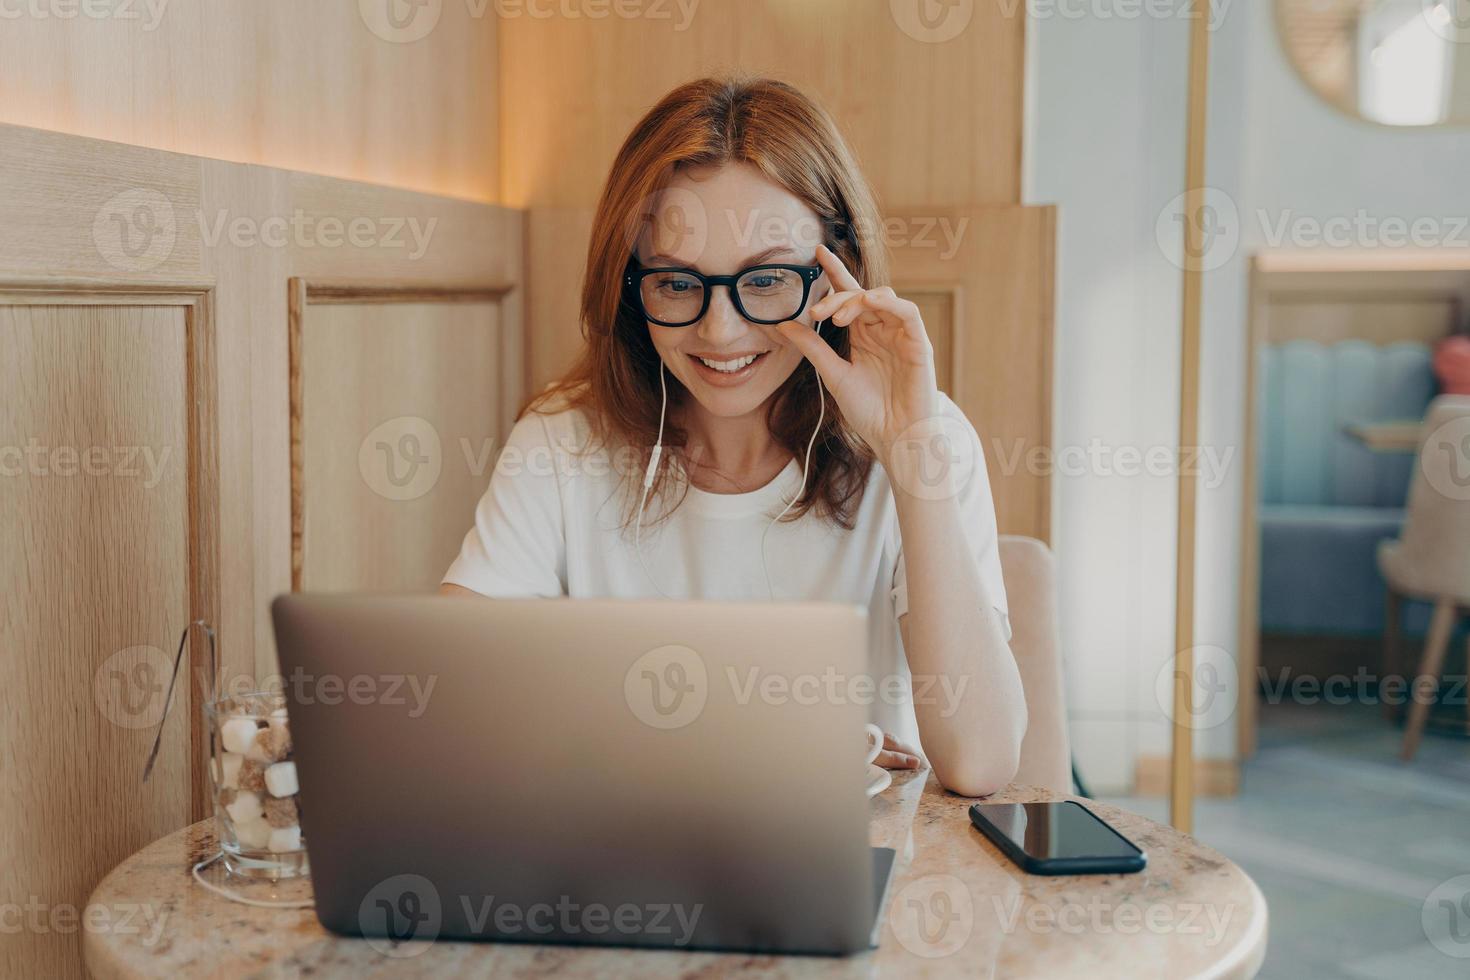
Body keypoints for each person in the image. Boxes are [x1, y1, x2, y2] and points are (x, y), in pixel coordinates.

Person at [441, 76, 1025, 797]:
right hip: (623, 873)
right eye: (679, 285)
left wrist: (911, 460)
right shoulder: (562, 442)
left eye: (768, 279)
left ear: (835, 275)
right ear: (631, 286)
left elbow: (982, 760)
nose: (721, 332)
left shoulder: (926, 438)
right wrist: (772, 752)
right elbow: (452, 706)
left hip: (860, 875)